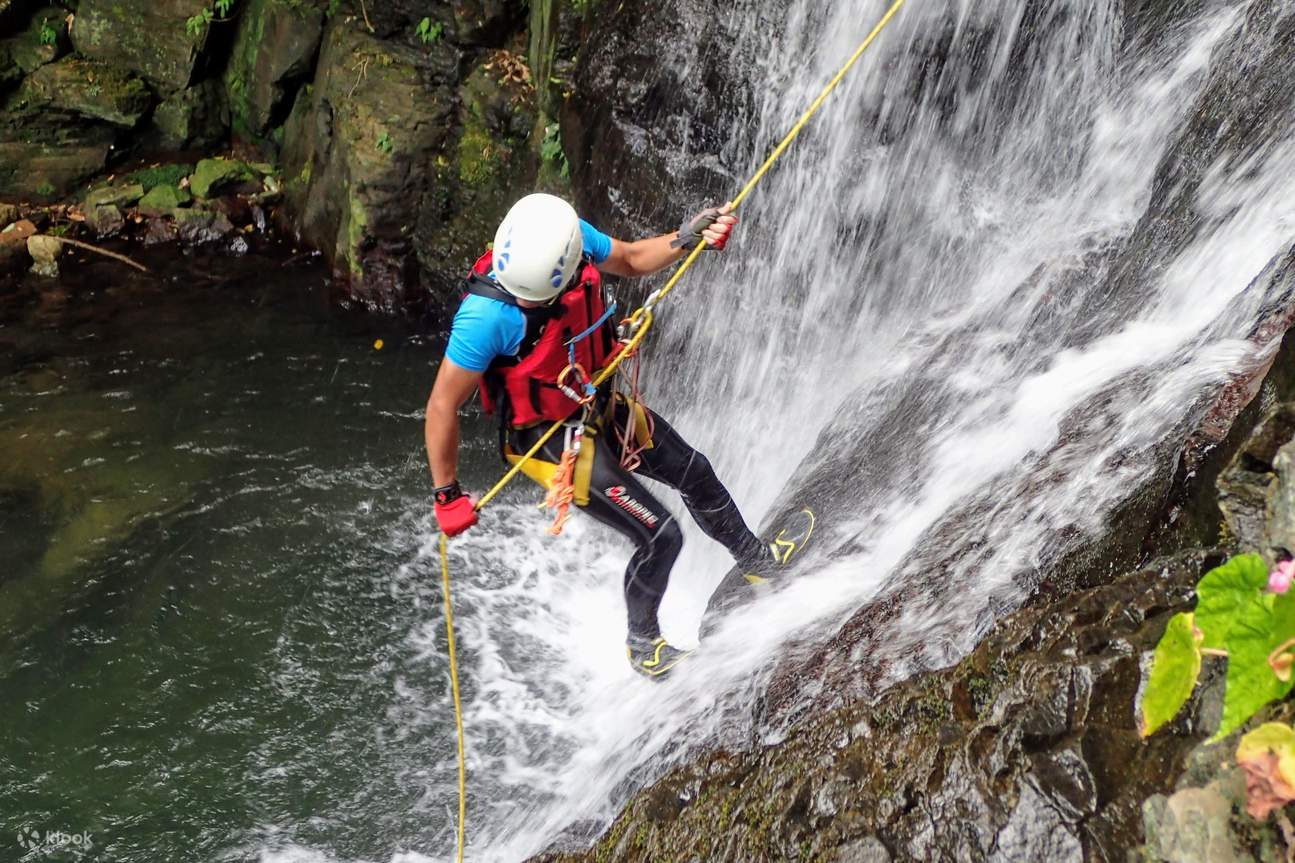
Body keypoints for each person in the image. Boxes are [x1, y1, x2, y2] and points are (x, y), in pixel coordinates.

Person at [424, 193, 776, 678]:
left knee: (695, 472)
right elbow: (443, 405)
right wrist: (447, 494)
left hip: (596, 403)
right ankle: (644, 644)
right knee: (661, 535)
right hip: (549, 440)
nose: (526, 304)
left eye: (535, 298)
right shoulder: (486, 318)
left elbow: (631, 259)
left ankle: (757, 560)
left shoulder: (567, 237)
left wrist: (685, 238)